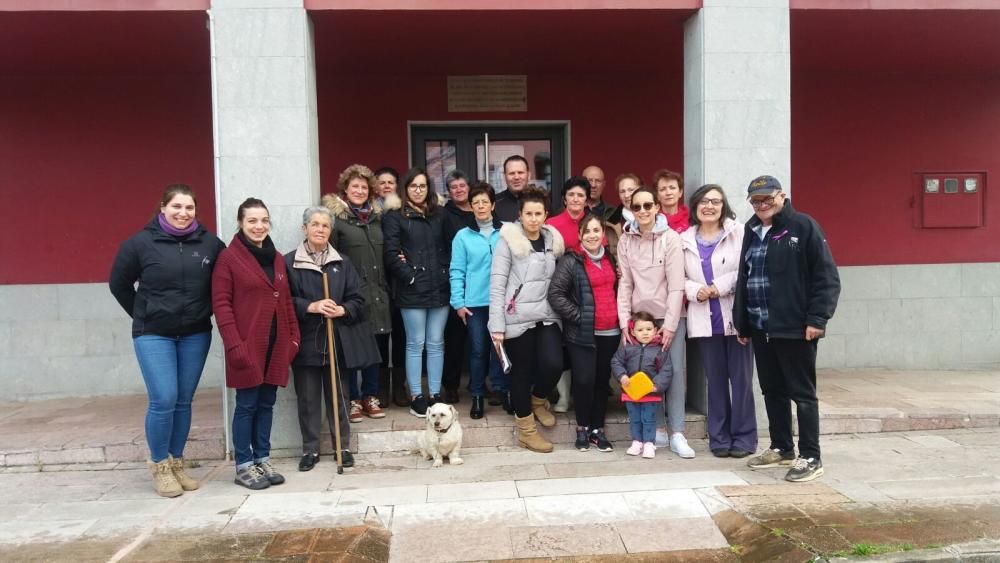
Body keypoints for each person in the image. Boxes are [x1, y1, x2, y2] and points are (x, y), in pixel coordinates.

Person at [109, 184, 225, 498]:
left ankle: (176, 463)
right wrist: (143, 314)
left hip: (195, 333)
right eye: (176, 207)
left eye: (189, 208)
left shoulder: (210, 244)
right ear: (163, 207)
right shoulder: (140, 244)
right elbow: (118, 283)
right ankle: (159, 465)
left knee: (184, 400)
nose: (183, 213)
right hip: (153, 334)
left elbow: (225, 282)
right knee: (164, 398)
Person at [734, 175, 840, 482]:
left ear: (782, 196)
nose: (763, 205)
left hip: (794, 327)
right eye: (756, 201)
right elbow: (745, 276)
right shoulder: (751, 230)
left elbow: (826, 277)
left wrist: (817, 319)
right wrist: (742, 321)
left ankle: (811, 456)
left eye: (768, 199)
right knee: (772, 391)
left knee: (802, 394)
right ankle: (782, 447)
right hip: (760, 326)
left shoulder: (803, 226)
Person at [212, 198, 300, 490]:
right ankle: (244, 464)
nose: (259, 226)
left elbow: (285, 299)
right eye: (252, 220)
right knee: (247, 405)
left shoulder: (275, 258)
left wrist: (293, 338)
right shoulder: (228, 258)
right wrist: (234, 344)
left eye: (264, 220)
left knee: (267, 404)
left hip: (275, 346)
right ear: (240, 223)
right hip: (247, 346)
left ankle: (262, 458)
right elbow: (222, 305)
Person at [286, 206, 381, 472]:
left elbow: (359, 300)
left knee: (339, 396)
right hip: (306, 341)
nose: (319, 230)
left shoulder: (343, 263)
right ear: (304, 229)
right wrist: (310, 306)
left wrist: (343, 309)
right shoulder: (289, 262)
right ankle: (310, 449)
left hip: (337, 340)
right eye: (314, 224)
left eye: (325, 226)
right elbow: (283, 301)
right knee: (307, 399)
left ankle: (343, 446)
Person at [616, 187, 695, 459]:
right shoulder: (626, 240)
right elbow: (625, 283)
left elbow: (676, 286)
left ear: (657, 207)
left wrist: (671, 324)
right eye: (637, 207)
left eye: (648, 205)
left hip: (669, 317)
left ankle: (677, 432)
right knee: (644, 373)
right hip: (640, 321)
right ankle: (657, 429)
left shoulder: (671, 238)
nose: (643, 211)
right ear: (631, 210)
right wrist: (625, 321)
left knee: (672, 376)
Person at [681, 184, 756, 458]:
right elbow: (679, 278)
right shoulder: (684, 239)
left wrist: (718, 286)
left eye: (715, 201)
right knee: (715, 382)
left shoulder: (738, 233)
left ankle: (745, 438)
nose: (709, 206)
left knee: (742, 381)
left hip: (735, 318)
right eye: (704, 201)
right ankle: (719, 438)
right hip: (704, 319)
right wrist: (695, 290)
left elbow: (747, 270)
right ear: (695, 206)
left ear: (723, 206)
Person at [489, 186, 565, 453]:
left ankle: (538, 400)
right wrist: (496, 325)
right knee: (521, 374)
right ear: (520, 215)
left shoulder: (553, 240)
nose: (533, 218)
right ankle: (527, 432)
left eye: (538, 213)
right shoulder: (507, 241)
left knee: (555, 363)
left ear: (546, 215)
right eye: (528, 213)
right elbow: (497, 284)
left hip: (546, 315)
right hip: (517, 317)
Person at [322, 165, 392, 422]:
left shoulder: (378, 218)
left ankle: (370, 396)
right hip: (351, 294)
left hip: (379, 293)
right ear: (346, 189)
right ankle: (352, 398)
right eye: (355, 187)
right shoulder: (337, 220)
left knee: (375, 348)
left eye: (364, 187)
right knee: (351, 348)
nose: (360, 191)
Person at [548, 213, 619, 452]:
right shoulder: (572, 261)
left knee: (601, 382)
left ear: (603, 234)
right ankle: (582, 428)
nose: (592, 235)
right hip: (582, 334)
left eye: (596, 230)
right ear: (579, 235)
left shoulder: (609, 258)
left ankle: (597, 429)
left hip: (610, 331)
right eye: (587, 231)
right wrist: (580, 317)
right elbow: (556, 294)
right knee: (584, 380)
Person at [382, 167, 451, 417]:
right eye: (413, 186)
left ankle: (434, 394)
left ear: (429, 189)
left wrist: (445, 272)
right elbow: (390, 254)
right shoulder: (395, 217)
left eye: (423, 186)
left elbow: (451, 246)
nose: (418, 190)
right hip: (412, 290)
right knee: (415, 343)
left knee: (436, 343)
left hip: (439, 289)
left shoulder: (440, 215)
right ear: (405, 189)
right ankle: (416, 395)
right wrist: (410, 276)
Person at [450, 182, 509, 419]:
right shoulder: (462, 236)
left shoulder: (506, 231)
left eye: (485, 201)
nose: (481, 206)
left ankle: (504, 390)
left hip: (503, 302)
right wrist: (458, 303)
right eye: (476, 203)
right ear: (471, 207)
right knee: (477, 350)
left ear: (493, 204)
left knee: (501, 349)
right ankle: (476, 395)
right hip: (475, 303)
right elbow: (457, 270)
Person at [651, 169, 690, 449]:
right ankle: (657, 426)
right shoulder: (649, 224)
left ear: (680, 191)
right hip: (650, 308)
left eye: (672, 187)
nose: (667, 192)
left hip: (681, 307)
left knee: (676, 369)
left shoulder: (692, 223)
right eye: (662, 188)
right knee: (653, 369)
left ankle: (677, 429)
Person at [612, 311, 673, 459]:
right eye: (640, 330)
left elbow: (666, 370)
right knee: (635, 418)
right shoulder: (627, 348)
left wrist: (656, 385)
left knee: (649, 419)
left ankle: (649, 443)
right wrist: (622, 376)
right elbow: (616, 362)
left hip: (650, 393)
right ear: (632, 332)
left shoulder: (660, 350)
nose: (645, 333)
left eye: (648, 329)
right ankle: (637, 441)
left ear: (655, 329)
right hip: (631, 392)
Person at [441, 170, 476, 404]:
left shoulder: (481, 210)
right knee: (454, 340)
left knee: (479, 341)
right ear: (449, 191)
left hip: (480, 283)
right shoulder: (444, 215)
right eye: (454, 187)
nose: (459, 190)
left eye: (462, 185)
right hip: (455, 282)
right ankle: (451, 386)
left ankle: (479, 385)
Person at [494, 155, 532, 222]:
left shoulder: (541, 202)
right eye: (511, 173)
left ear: (528, 175)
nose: (516, 177)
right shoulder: (494, 203)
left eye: (520, 172)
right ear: (504, 177)